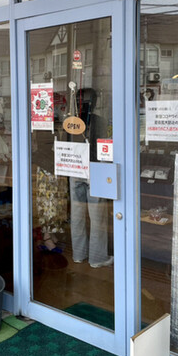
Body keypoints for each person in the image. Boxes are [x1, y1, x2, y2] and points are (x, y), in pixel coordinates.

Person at [68, 88, 113, 269]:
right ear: (94, 103)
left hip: (74, 169)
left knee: (77, 215)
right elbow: (104, 147)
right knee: (97, 217)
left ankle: (78, 254)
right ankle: (97, 258)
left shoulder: (70, 122)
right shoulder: (99, 121)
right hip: (94, 169)